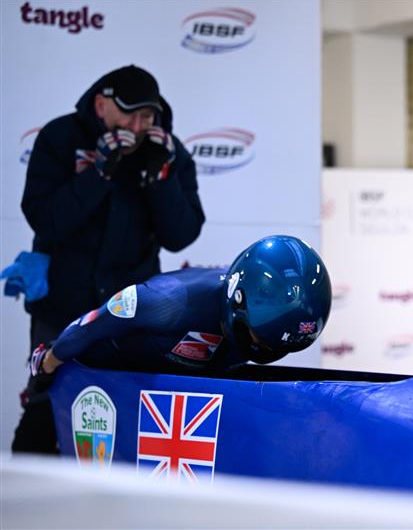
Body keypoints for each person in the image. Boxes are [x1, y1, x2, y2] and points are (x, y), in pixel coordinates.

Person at [13, 64, 205, 453]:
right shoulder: (60, 137)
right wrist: (98, 174)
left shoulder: (169, 150)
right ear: (102, 106)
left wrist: (160, 179)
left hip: (132, 314)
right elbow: (46, 221)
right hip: (62, 308)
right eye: (129, 114)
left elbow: (181, 236)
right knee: (45, 406)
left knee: (128, 410)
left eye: (146, 116)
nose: (137, 126)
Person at [29, 236, 332, 382]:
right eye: (259, 337)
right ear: (236, 302)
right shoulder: (166, 302)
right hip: (108, 376)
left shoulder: (264, 315)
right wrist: (50, 359)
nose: (263, 347)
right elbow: (91, 325)